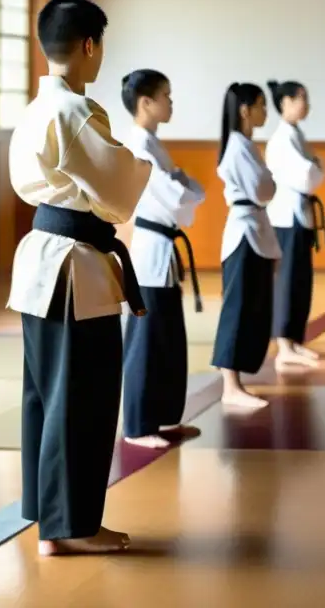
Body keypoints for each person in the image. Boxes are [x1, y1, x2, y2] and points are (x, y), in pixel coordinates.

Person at [7, 0, 151, 556]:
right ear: (90, 45)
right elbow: (118, 191)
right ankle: (69, 527)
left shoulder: (37, 109)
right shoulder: (77, 112)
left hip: (44, 257)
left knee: (46, 394)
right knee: (81, 398)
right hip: (73, 268)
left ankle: (49, 516)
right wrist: (137, 165)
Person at [121, 69, 207, 449]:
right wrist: (183, 184)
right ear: (146, 102)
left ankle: (163, 416)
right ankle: (139, 425)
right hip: (149, 252)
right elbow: (176, 194)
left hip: (164, 250)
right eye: (166, 96)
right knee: (146, 339)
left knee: (168, 338)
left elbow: (186, 190)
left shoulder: (153, 143)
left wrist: (183, 184)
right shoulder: (138, 146)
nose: (171, 103)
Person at [211, 82, 279, 409]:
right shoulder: (238, 147)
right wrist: (269, 184)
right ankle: (230, 385)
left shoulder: (247, 146)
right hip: (243, 231)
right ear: (245, 110)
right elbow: (264, 189)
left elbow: (265, 188)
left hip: (255, 225)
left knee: (252, 307)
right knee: (237, 309)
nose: (266, 111)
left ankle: (236, 381)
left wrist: (268, 185)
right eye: (262, 105)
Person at [265, 80, 325, 370]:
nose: (307, 104)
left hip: (299, 213)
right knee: (289, 280)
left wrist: (315, 167)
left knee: (302, 280)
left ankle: (296, 340)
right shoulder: (281, 139)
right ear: (286, 102)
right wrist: (315, 167)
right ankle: (284, 345)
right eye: (302, 98)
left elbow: (316, 171)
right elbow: (308, 175)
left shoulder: (297, 135)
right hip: (285, 216)